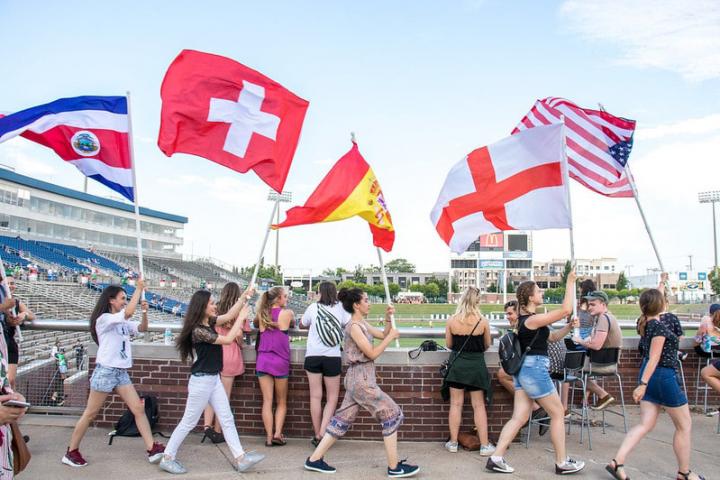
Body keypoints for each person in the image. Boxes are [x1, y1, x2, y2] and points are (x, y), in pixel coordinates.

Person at [304, 287, 419, 478]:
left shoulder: (361, 323)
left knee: (343, 419)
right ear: (356, 305)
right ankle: (394, 467)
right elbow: (372, 353)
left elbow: (382, 334)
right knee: (392, 413)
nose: (369, 303)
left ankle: (314, 459)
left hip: (358, 378)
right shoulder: (354, 327)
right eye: (366, 300)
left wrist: (388, 319)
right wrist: (391, 338)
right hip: (361, 380)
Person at [486, 271, 585, 475]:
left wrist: (568, 326)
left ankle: (496, 457)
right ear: (530, 297)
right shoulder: (532, 320)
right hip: (535, 369)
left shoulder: (530, 321)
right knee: (557, 413)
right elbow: (566, 308)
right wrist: (570, 282)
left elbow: (553, 337)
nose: (542, 293)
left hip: (525, 371)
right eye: (539, 291)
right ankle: (562, 462)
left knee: (519, 417)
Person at [158, 289, 264, 474]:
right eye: (212, 303)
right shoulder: (198, 331)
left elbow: (229, 314)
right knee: (188, 422)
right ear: (202, 307)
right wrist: (242, 318)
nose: (215, 306)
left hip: (213, 379)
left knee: (226, 418)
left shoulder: (209, 322)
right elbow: (229, 339)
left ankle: (240, 458)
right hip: (201, 382)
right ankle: (168, 457)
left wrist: (243, 297)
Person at [63, 279, 165, 467]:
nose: (124, 301)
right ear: (111, 300)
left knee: (138, 409)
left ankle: (152, 448)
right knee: (91, 413)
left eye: (125, 298)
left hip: (120, 372)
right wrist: (138, 289)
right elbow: (128, 312)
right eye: (122, 298)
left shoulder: (121, 321)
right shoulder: (105, 319)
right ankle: (71, 451)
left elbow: (142, 328)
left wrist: (144, 312)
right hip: (106, 371)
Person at [606, 289, 705, 480]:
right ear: (660, 304)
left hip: (650, 374)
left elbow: (649, 358)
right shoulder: (658, 327)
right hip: (662, 375)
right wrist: (642, 384)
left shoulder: (646, 324)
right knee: (684, 425)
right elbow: (655, 357)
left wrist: (644, 382)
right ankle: (684, 472)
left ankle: (617, 462)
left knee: (645, 424)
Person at [442, 287, 495, 456]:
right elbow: (486, 345)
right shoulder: (483, 321)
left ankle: (453, 443)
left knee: (455, 404)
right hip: (476, 366)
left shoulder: (451, 320)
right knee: (478, 406)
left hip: (457, 366)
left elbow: (449, 345)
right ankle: (485, 445)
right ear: (478, 301)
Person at [299, 281, 351, 446]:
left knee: (315, 396)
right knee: (332, 398)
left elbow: (302, 324)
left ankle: (316, 433)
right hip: (332, 356)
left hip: (313, 355)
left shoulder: (313, 308)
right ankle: (323, 432)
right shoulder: (341, 308)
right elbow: (348, 325)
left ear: (319, 292)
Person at [201, 282, 252, 444]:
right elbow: (240, 336)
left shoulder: (215, 310)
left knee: (210, 393)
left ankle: (207, 426)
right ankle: (218, 430)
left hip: (214, 353)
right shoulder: (238, 313)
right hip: (230, 354)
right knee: (223, 397)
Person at [254, 286, 294, 447]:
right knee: (281, 401)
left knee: (267, 401)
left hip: (263, 359)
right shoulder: (288, 313)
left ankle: (269, 437)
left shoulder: (261, 314)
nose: (287, 299)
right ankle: (278, 433)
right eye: (285, 296)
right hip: (280, 361)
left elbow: (256, 323)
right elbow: (292, 324)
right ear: (278, 299)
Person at [572, 290, 623, 410]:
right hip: (609, 361)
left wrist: (579, 340)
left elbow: (596, 346)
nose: (589, 307)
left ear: (603, 305)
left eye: (593, 304)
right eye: (589, 304)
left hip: (605, 364)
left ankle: (603, 395)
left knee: (573, 374)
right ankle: (601, 396)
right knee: (580, 373)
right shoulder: (607, 317)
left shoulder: (604, 318)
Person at [0, 275, 35, 388]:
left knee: (10, 380)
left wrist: (23, 316)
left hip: (9, 343)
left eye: (12, 283)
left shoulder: (16, 302)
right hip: (1, 342)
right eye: (7, 283)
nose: (10, 286)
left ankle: (11, 402)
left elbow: (32, 315)